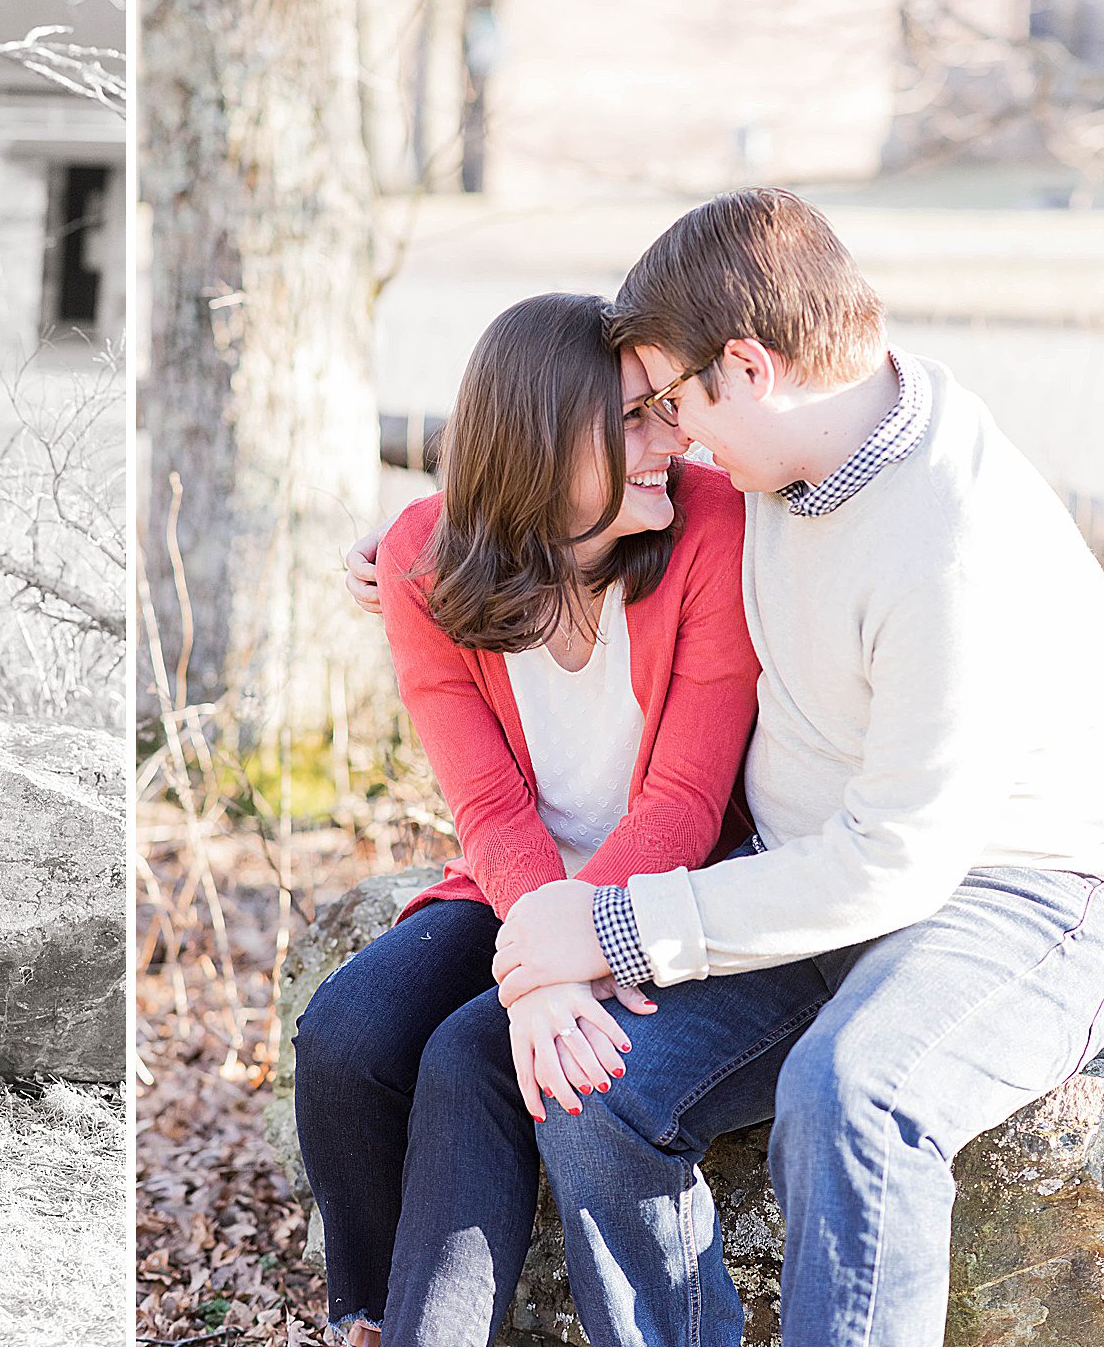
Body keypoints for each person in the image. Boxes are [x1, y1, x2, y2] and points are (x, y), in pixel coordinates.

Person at [347, 189, 1104, 1345]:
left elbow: (898, 861)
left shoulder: (947, 541)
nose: (672, 435)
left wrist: (610, 930)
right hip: (807, 885)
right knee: (595, 1085)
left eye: (673, 401)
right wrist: (412, 542)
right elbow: (550, 479)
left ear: (748, 367)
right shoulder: (784, 468)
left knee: (851, 1095)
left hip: (1012, 895)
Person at [297, 291, 760, 1344]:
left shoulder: (711, 532)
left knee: (477, 1048)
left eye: (664, 409)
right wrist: (539, 947)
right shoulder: (422, 560)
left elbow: (684, 803)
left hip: (665, 886)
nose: (671, 438)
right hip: (515, 876)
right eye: (635, 420)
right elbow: (486, 803)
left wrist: (558, 964)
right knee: (344, 1034)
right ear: (545, 448)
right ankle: (368, 1316)